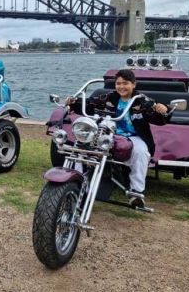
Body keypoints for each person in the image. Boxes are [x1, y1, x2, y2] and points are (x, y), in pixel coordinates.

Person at [66, 69, 169, 208]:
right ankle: (76, 181)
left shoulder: (142, 101)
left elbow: (158, 117)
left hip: (134, 136)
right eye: (118, 83)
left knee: (141, 153)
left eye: (125, 83)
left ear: (134, 84)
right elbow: (90, 104)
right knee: (81, 147)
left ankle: (136, 193)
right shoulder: (109, 98)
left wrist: (162, 109)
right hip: (108, 135)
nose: (121, 87)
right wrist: (73, 102)